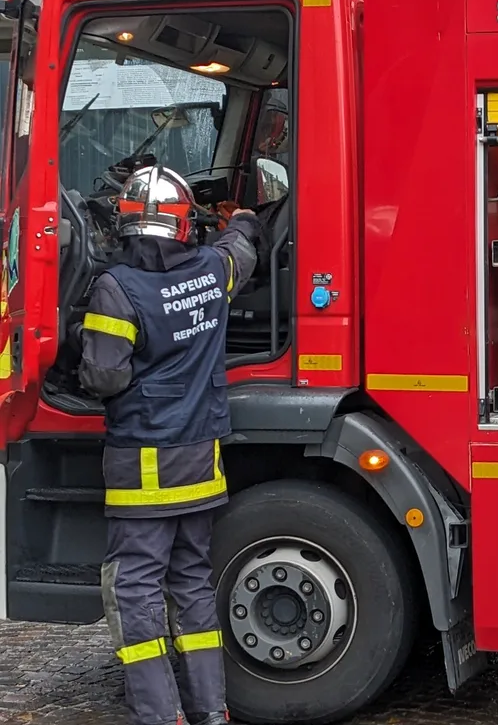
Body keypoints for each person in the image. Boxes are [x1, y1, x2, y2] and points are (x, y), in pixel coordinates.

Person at [77, 164, 265, 725]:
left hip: (142, 464)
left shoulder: (115, 289)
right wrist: (248, 220)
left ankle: (160, 715)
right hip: (201, 459)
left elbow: (104, 378)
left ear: (125, 223)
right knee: (190, 584)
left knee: (135, 591)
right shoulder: (213, 269)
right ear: (186, 224)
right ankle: (211, 712)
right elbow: (241, 251)